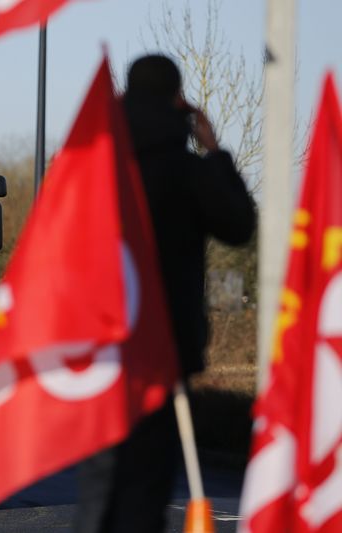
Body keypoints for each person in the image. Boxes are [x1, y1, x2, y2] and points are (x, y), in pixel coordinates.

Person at [73, 54, 256, 533]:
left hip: (104, 348)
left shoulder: (93, 169)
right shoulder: (186, 170)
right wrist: (214, 150)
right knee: (148, 483)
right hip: (165, 348)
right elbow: (239, 224)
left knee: (101, 481)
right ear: (179, 102)